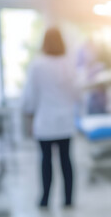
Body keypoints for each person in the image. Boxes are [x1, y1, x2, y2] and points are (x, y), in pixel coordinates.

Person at [22, 27, 78, 207]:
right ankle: (68, 200)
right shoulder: (68, 64)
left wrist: (29, 117)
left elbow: (30, 96)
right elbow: (76, 93)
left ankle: (45, 199)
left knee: (45, 161)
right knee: (66, 160)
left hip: (44, 120)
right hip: (64, 121)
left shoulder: (37, 65)